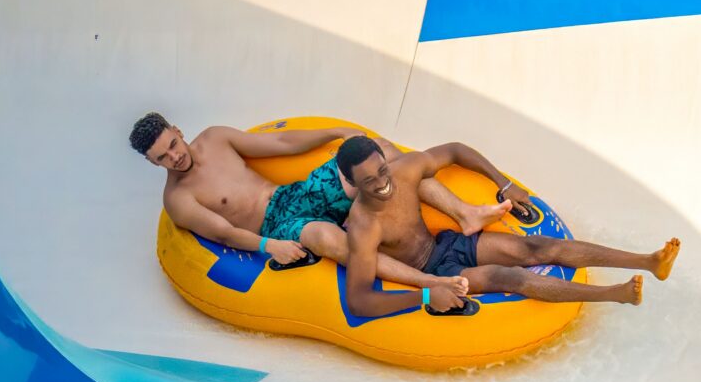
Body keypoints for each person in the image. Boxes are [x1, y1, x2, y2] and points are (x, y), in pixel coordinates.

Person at [331, 134, 677, 318]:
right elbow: (360, 301)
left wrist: (502, 182)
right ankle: (613, 295)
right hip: (434, 271)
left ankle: (648, 261)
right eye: (369, 180)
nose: (382, 183)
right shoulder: (364, 226)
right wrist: (425, 293)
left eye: (382, 171)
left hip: (448, 243)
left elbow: (453, 149)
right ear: (351, 182)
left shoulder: (404, 171)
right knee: (507, 277)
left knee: (536, 247)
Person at [129, 112, 505, 274]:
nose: (175, 156)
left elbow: (280, 143)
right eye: (162, 157)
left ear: (177, 130)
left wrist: (334, 133)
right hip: (277, 225)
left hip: (294, 194)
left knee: (381, 155)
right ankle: (417, 273)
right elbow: (224, 233)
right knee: (325, 236)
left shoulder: (214, 138)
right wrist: (267, 246)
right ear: (152, 163)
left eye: (174, 143)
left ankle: (465, 214)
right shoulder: (179, 201)